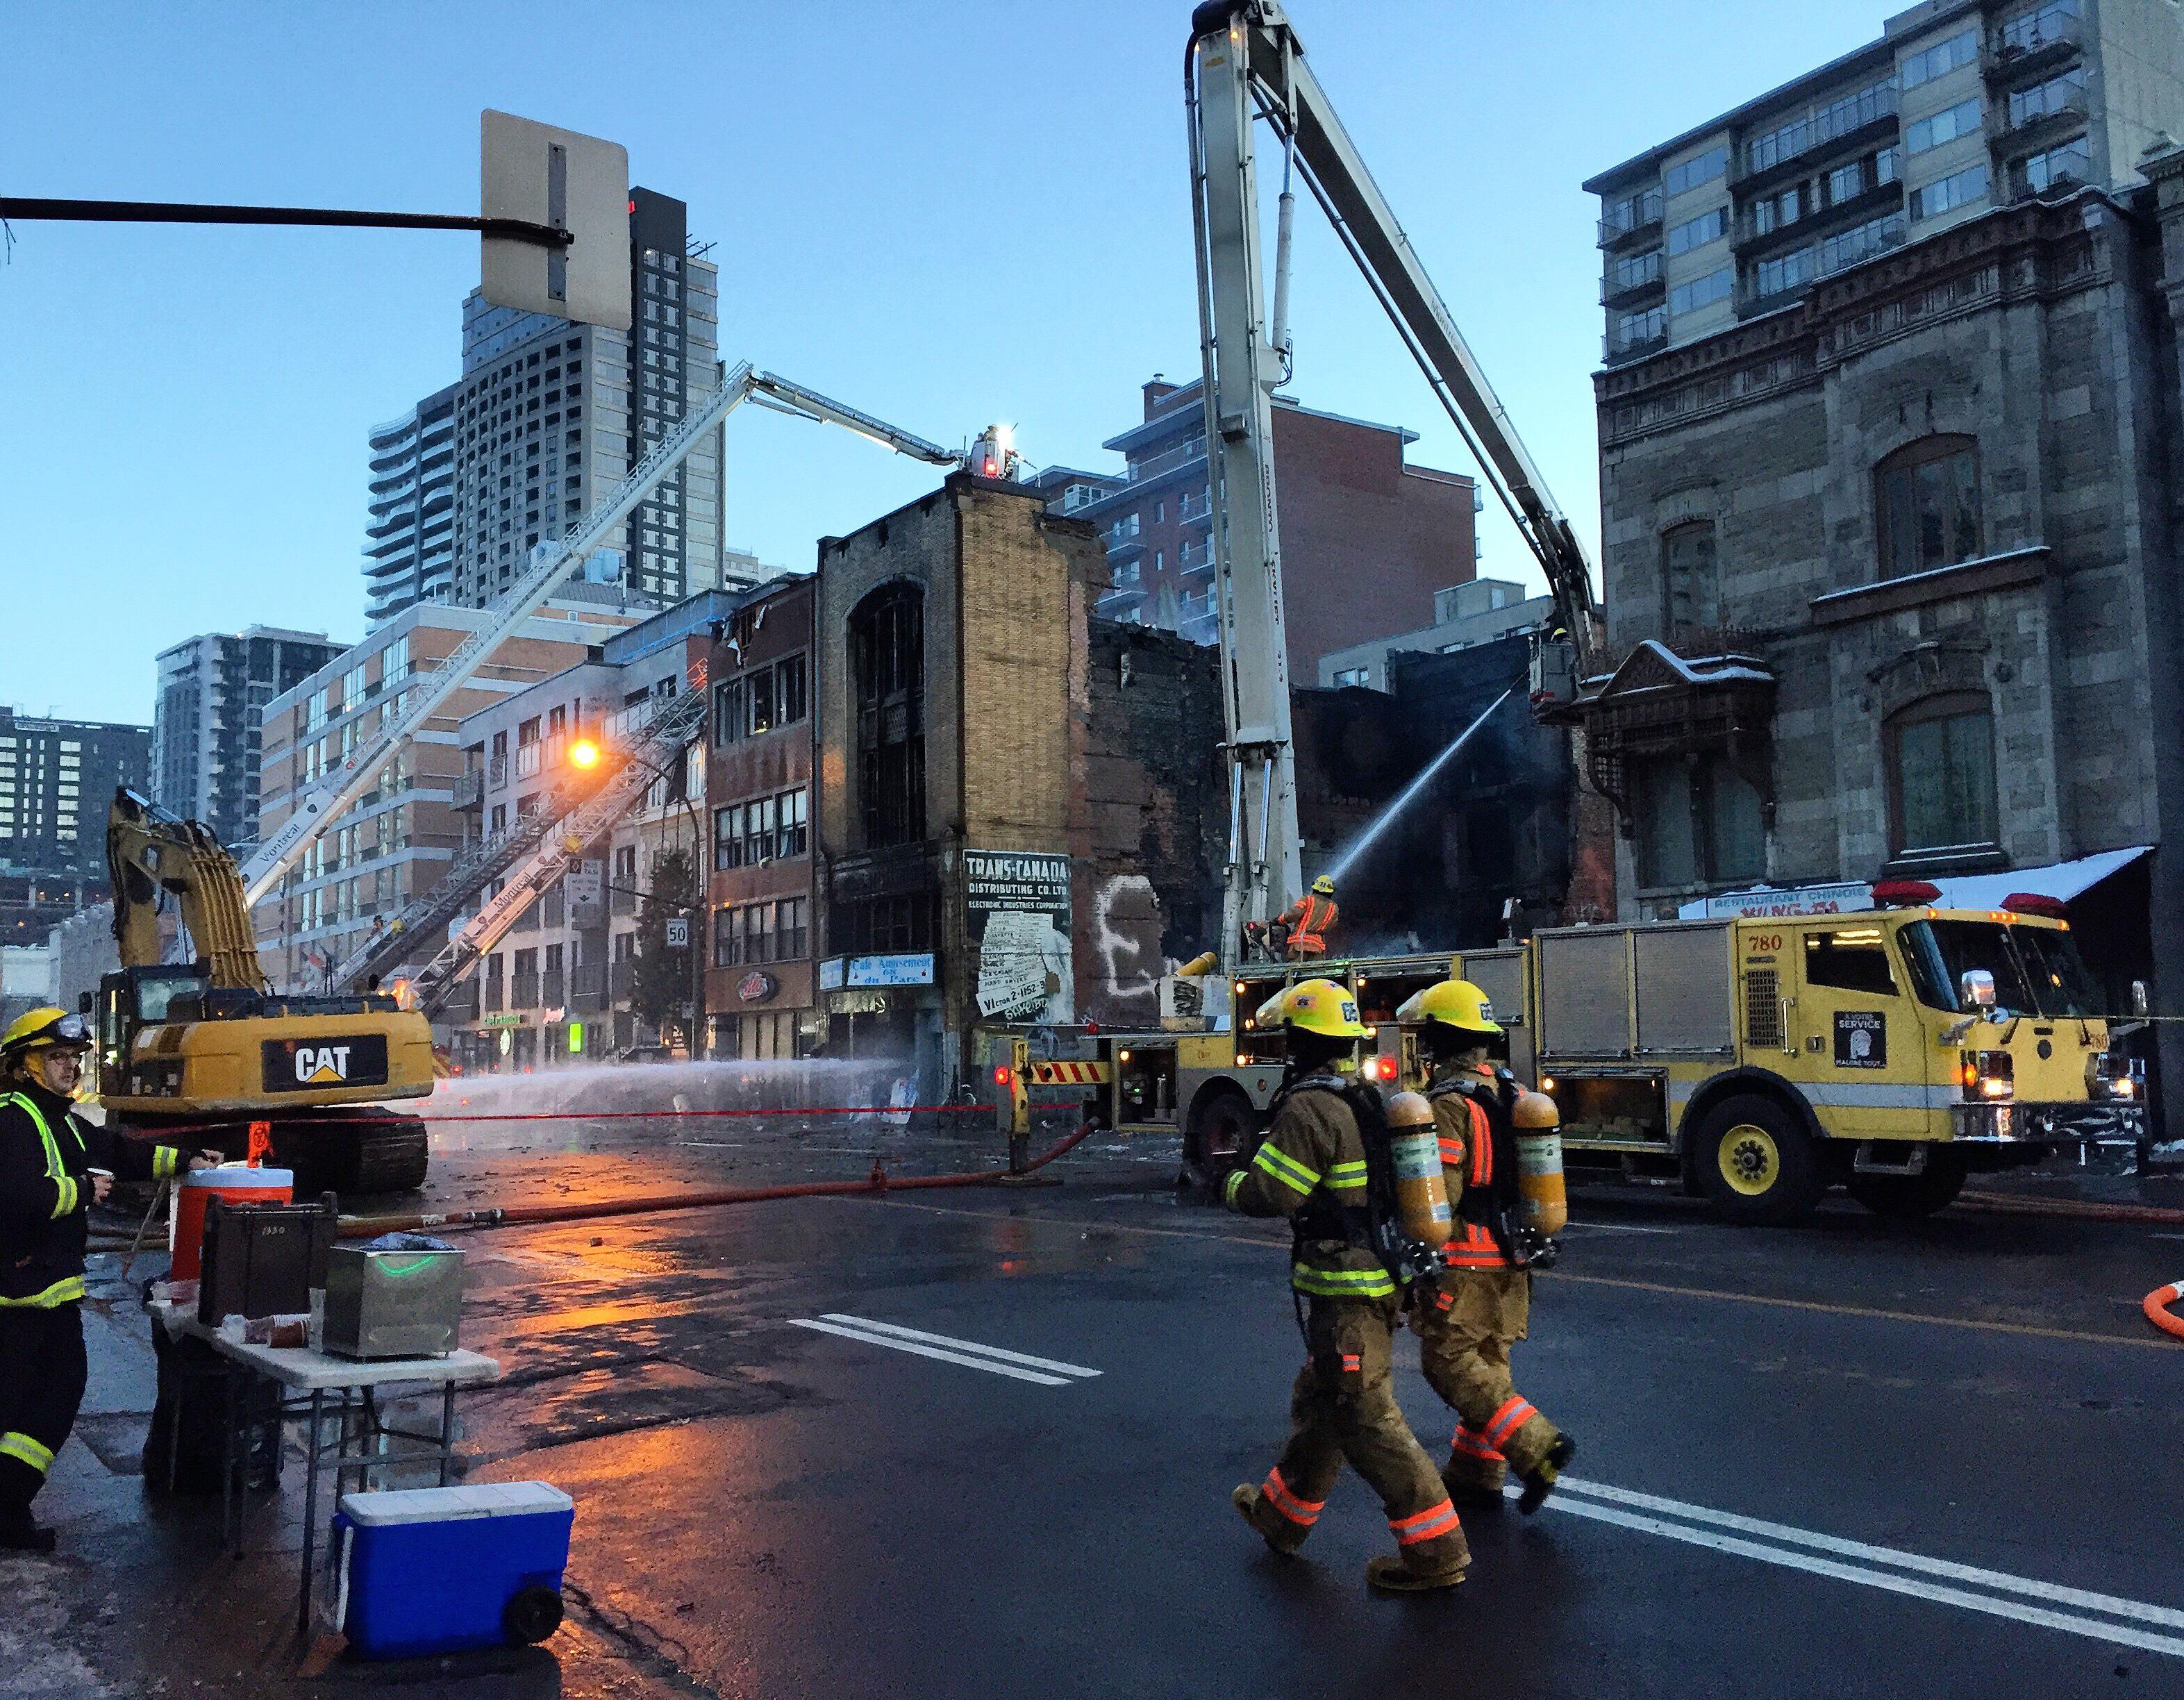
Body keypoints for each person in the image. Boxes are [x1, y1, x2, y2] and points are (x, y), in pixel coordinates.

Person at [1223, 979, 1470, 1593]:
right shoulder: (1366, 1097)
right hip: (1382, 1277)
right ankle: (1281, 1519)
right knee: (1324, 1402)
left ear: (1300, 1040)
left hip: (1345, 1287)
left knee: (1363, 1414)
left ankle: (1437, 1551)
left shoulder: (1309, 1108)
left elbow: (1272, 1192)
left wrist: (1227, 1185)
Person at [0, 1008, 217, 1552]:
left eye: (73, 1059)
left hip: (47, 1295)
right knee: (35, 1404)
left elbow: (116, 1151)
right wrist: (81, 1190)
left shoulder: (61, 1119)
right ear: (24, 1064)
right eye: (57, 1058)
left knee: (41, 1404)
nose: (69, 1068)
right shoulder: (12, 1118)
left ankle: (6, 1507)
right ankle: (5, 1510)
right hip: (18, 1299)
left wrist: (186, 1161)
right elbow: (19, 1197)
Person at [1394, 978, 1576, 1514]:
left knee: (1447, 1361)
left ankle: (1538, 1445)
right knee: (1490, 1362)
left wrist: (1416, 1253)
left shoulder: (1449, 1105)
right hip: (1515, 1256)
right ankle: (1476, 1473)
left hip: (1467, 1262)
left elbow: (1442, 1195)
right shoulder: (1515, 1096)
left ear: (1439, 1040)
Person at [1274, 876, 1340, 962]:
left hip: (1299, 945)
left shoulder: (1308, 900)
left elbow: (1294, 914)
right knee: (1314, 973)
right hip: (1317, 948)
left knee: (1295, 972)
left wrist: (1280, 920)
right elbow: (1331, 925)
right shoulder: (1333, 907)